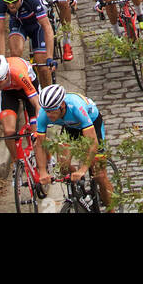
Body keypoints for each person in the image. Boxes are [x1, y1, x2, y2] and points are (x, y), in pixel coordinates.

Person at [33, 82, 114, 211]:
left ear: (62, 105)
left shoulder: (76, 107)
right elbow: (40, 145)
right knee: (63, 165)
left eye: (52, 111)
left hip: (91, 124)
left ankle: (112, 209)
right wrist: (42, 171)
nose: (49, 115)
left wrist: (83, 168)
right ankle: (79, 187)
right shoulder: (44, 113)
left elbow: (92, 142)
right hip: (70, 127)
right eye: (47, 111)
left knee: (99, 174)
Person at [0, 0, 56, 88]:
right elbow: (0, 32)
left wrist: (49, 57)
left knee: (42, 66)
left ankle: (47, 94)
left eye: (14, 1)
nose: (10, 5)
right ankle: (23, 88)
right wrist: (1, 60)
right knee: (15, 55)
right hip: (18, 24)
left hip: (37, 26)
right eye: (7, 2)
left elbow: (47, 28)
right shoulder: (0, 1)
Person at [0, 53, 41, 167]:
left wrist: (38, 129)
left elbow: (37, 103)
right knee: (8, 131)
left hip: (27, 87)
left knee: (38, 133)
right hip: (8, 91)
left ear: (6, 75)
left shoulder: (18, 72)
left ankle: (47, 158)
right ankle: (16, 163)